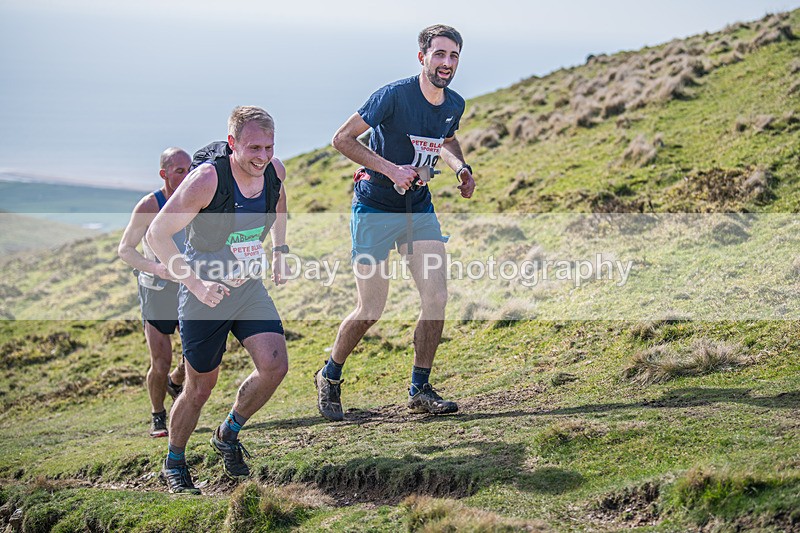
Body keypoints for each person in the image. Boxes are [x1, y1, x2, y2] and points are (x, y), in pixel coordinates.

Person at [315, 24, 476, 422]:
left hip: (418, 209)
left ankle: (420, 388)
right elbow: (342, 138)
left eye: (453, 56)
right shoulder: (393, 95)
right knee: (371, 308)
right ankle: (329, 374)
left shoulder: (454, 102)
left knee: (436, 298)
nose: (446, 63)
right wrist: (392, 170)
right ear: (422, 57)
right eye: (439, 54)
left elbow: (446, 138)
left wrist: (460, 167)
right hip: (375, 208)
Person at [147, 106, 291, 494]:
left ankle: (228, 433)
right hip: (203, 295)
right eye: (253, 148)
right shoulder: (207, 180)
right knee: (199, 387)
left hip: (247, 288)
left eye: (268, 146)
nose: (262, 156)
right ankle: (174, 461)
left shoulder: (274, 170)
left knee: (275, 364)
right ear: (232, 144)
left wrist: (280, 251)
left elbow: (278, 205)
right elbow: (157, 235)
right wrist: (194, 284)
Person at [118, 147, 189, 438]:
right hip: (156, 291)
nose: (186, 177)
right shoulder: (149, 205)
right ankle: (158, 414)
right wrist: (155, 268)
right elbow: (125, 249)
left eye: (189, 170)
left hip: (189, 287)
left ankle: (176, 382)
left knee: (200, 354)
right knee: (160, 362)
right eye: (179, 171)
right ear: (164, 174)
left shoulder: (197, 198)